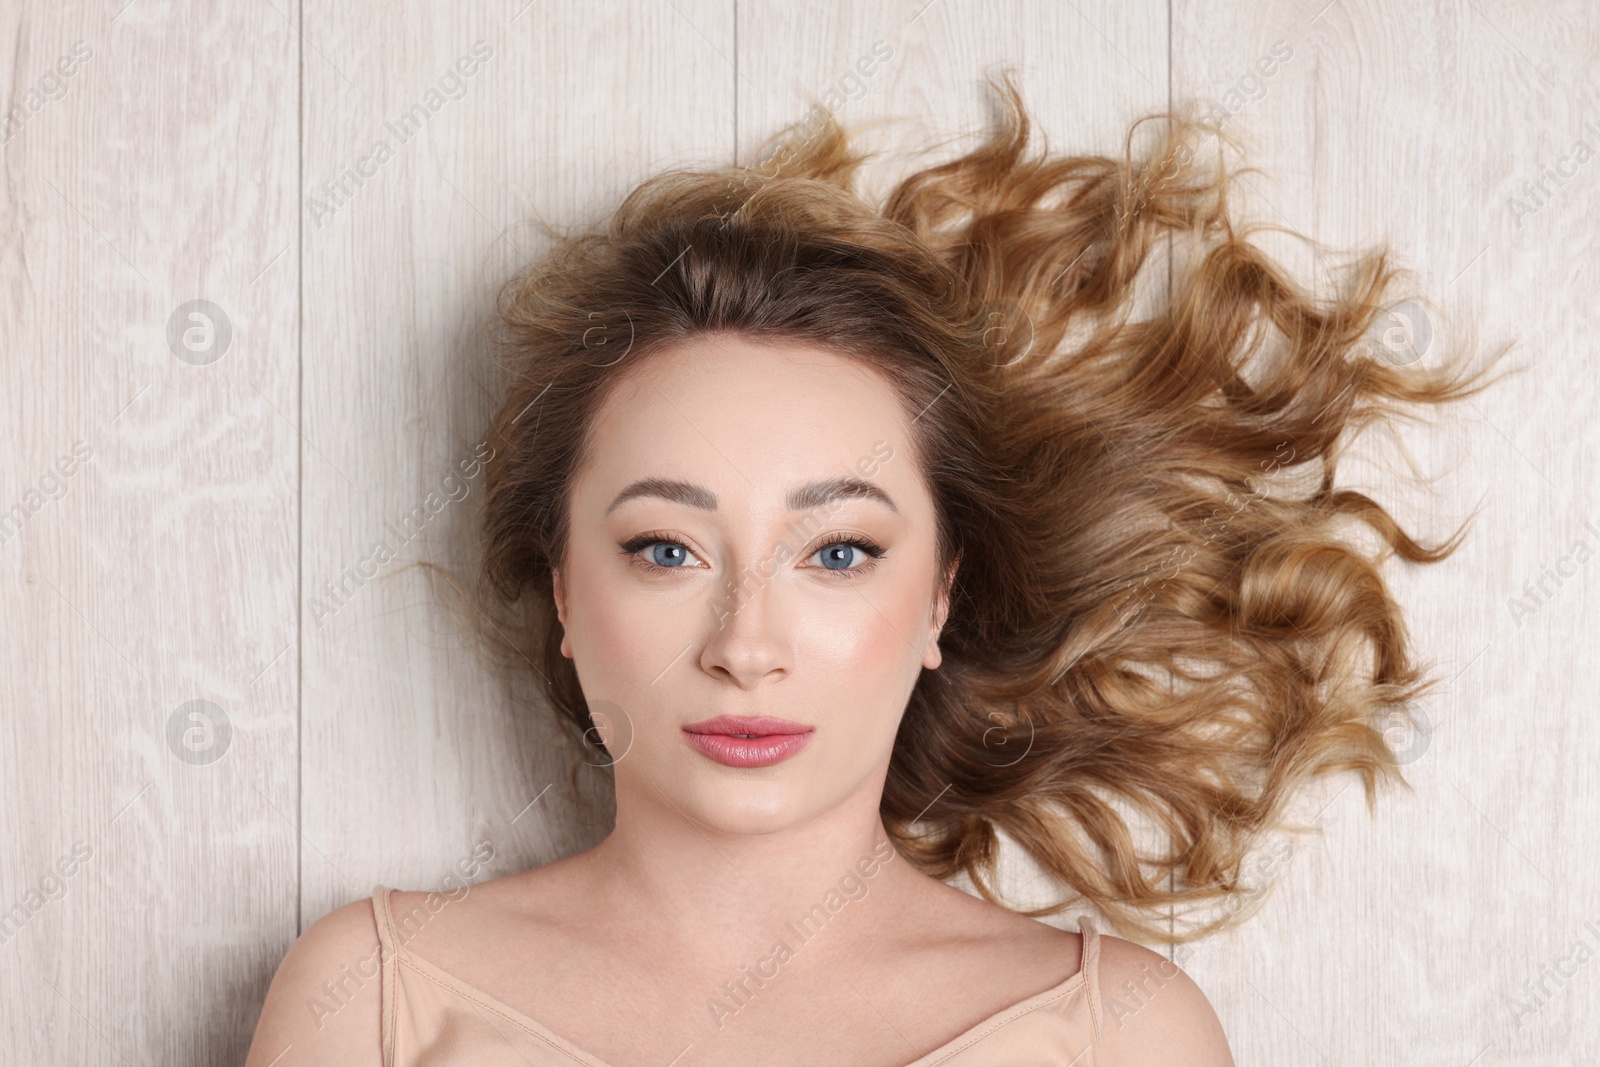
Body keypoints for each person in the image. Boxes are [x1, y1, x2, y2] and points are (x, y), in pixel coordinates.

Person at [246, 70, 1500, 1066]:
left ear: (941, 593)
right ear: (566, 590)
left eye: (836, 550)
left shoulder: (1120, 1037)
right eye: (665, 548)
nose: (747, 640)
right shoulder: (370, 998)